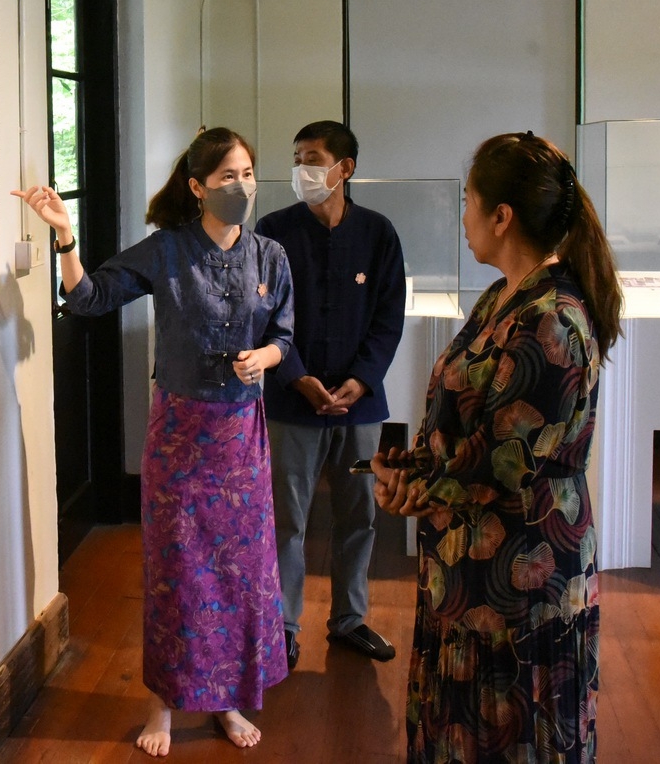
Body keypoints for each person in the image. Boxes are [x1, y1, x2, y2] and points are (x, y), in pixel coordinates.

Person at [12, 127, 293, 757]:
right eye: (228, 176)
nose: (242, 186)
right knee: (178, 573)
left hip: (242, 440)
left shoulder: (271, 256)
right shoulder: (168, 250)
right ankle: (161, 704)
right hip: (180, 442)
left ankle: (225, 699)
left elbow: (285, 335)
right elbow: (89, 297)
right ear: (197, 187)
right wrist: (65, 236)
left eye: (248, 174)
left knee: (240, 575)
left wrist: (266, 358)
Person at [372, 131, 620, 763]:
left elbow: (505, 461)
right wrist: (407, 469)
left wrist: (415, 491)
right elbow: (464, 418)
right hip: (471, 573)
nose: (464, 218)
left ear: (502, 216)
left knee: (513, 738)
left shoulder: (552, 319)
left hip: (520, 583)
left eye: (469, 203)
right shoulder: (504, 295)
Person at [256, 121, 405, 669]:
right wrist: (297, 376)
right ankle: (284, 626)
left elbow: (389, 317)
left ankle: (349, 620)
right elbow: (261, 312)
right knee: (287, 518)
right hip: (292, 401)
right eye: (297, 158)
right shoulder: (272, 231)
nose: (302, 169)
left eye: (313, 158)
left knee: (359, 513)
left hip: (359, 406)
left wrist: (361, 380)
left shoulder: (378, 233)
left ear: (345, 168)